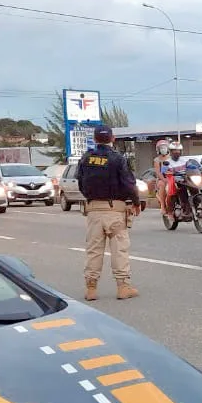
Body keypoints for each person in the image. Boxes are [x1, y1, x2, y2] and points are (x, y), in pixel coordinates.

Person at [76, 124, 139, 301]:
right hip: (115, 211)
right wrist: (135, 202)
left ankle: (91, 288)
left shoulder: (86, 158)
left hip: (93, 210)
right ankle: (123, 287)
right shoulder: (118, 159)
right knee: (119, 249)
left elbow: (80, 182)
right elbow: (128, 184)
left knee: (94, 250)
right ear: (113, 139)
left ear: (95, 139)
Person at [159, 141, 189, 216]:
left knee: (196, 187)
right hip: (173, 181)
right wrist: (168, 173)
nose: (177, 152)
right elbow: (163, 171)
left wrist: (201, 170)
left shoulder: (185, 160)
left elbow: (193, 167)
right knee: (170, 193)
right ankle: (170, 212)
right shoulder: (167, 162)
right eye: (174, 150)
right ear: (171, 151)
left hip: (185, 180)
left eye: (178, 150)